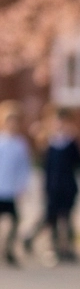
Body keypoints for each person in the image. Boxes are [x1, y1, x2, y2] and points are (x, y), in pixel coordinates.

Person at [24, 107, 80, 262]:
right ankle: (53, 247)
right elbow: (42, 165)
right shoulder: (48, 142)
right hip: (52, 186)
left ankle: (68, 249)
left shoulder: (72, 143)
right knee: (52, 218)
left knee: (67, 218)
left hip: (68, 186)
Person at [0, 102, 33, 266]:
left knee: (14, 220)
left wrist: (22, 185)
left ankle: (8, 250)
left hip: (10, 190)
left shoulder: (20, 144)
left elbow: (24, 168)